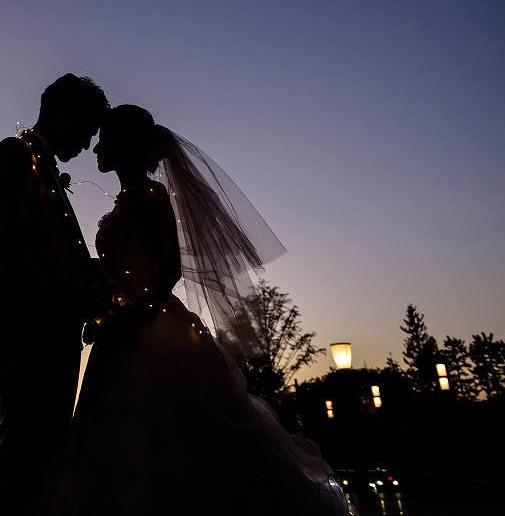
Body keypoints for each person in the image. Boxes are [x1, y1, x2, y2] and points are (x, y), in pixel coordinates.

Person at [40, 104, 349, 516]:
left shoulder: (152, 197)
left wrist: (128, 315)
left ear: (129, 148)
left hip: (150, 328)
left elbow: (167, 270)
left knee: (173, 431)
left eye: (107, 138)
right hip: (120, 330)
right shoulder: (127, 199)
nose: (97, 147)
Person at [0, 73, 114, 516]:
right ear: (65, 114)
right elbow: (10, 244)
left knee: (43, 462)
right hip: (26, 340)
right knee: (17, 461)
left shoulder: (45, 168)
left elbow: (54, 254)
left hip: (53, 342)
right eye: (87, 130)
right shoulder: (13, 155)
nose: (89, 145)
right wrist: (64, 303)